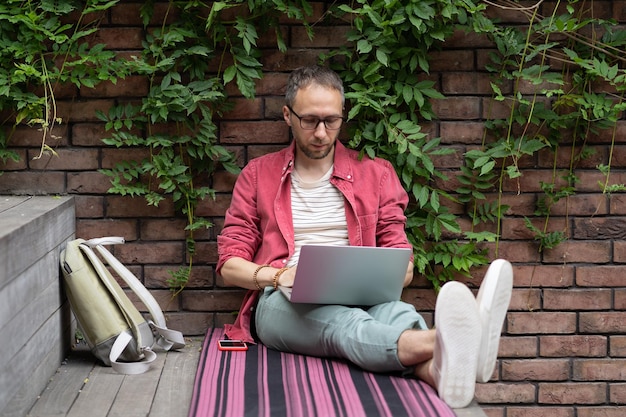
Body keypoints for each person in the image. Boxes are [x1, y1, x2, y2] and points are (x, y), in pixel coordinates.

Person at [216, 65, 513, 409]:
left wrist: (385, 275)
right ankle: (457, 339)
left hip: (363, 295)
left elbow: (403, 263)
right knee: (345, 323)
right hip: (281, 303)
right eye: (310, 120)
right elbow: (229, 265)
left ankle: (438, 371)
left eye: (332, 120)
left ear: (343, 116)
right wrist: (281, 276)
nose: (322, 133)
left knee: (399, 314)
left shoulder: (376, 173)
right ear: (288, 115)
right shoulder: (258, 175)